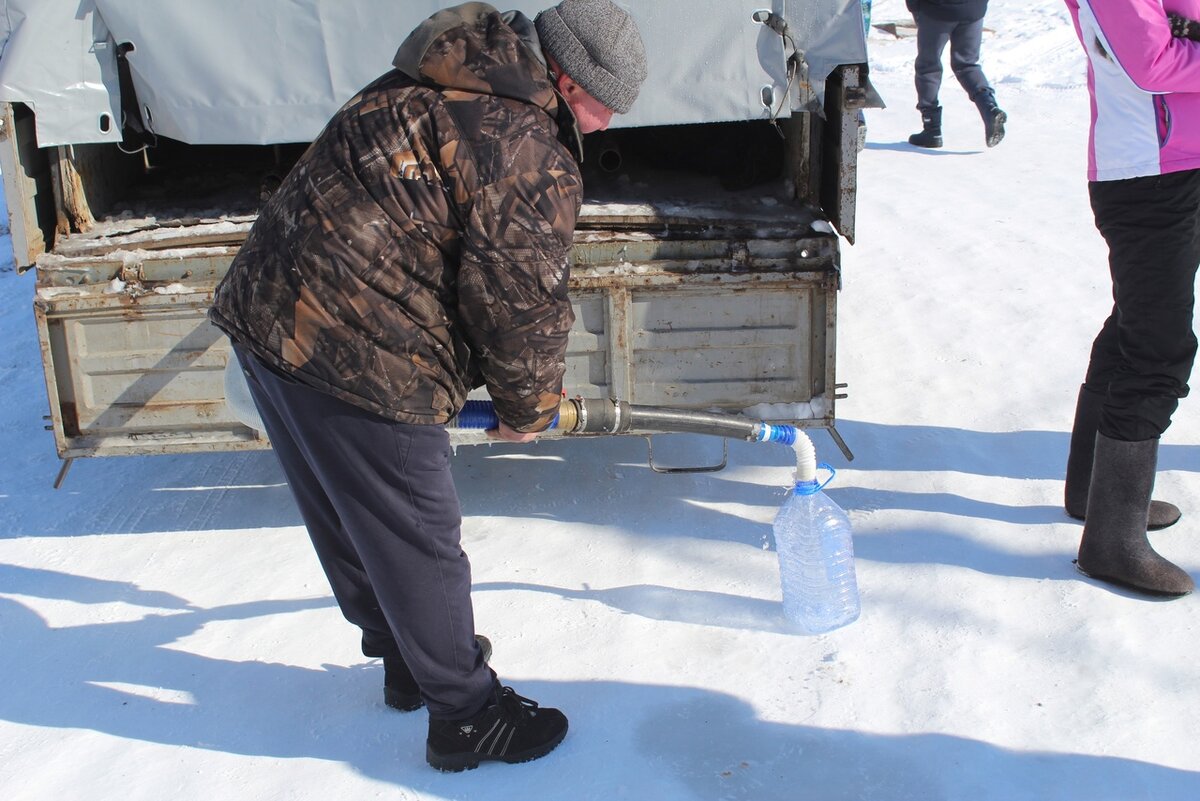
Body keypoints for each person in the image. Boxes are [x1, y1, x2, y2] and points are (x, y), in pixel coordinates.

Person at [208, 0, 647, 770]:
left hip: (270, 307)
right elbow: (517, 296)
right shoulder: (524, 145)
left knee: (349, 511)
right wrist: (528, 408)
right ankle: (467, 716)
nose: (606, 125)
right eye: (601, 105)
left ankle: (408, 658)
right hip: (364, 346)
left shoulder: (439, 69)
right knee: (416, 532)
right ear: (565, 75)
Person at [1061, 0, 1200, 598]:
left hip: (1176, 163)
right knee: (1157, 347)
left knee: (1132, 327)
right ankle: (1112, 541)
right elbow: (1152, 63)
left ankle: (1092, 488)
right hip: (1145, 173)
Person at [905, 0, 1005, 148]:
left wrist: (914, 7)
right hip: (973, 9)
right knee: (967, 64)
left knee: (928, 66)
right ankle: (988, 107)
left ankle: (932, 129)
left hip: (936, 10)